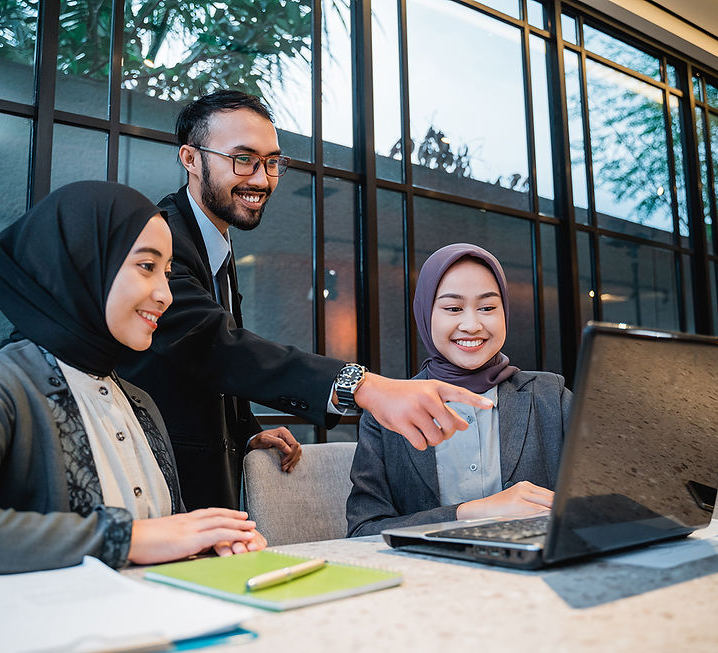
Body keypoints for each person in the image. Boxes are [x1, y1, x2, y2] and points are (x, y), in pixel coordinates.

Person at [0, 181, 265, 583]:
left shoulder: (140, 402)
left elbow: (162, 540)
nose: (166, 295)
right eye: (146, 267)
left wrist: (207, 542)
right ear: (83, 263)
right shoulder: (1, 386)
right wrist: (128, 539)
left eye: (168, 273)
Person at [117, 91, 492, 511]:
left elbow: (205, 365)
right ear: (190, 158)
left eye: (271, 162)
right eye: (244, 159)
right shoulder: (161, 240)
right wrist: (363, 386)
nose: (262, 180)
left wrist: (246, 431)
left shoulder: (215, 242)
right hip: (153, 486)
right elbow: (212, 344)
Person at [346, 243, 572, 537]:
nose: (472, 325)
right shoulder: (387, 411)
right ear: (425, 314)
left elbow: (608, 497)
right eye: (453, 308)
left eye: (487, 308)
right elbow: (363, 531)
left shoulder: (551, 396)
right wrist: (469, 512)